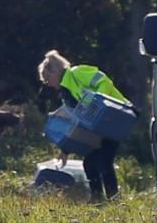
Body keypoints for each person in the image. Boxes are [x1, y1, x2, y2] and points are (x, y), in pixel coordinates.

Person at [38, 49, 130, 201]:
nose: (48, 85)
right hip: (100, 126)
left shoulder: (77, 73)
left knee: (104, 159)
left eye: (47, 80)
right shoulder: (66, 94)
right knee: (90, 162)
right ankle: (97, 198)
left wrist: (96, 103)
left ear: (54, 72)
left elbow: (103, 81)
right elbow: (75, 123)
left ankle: (113, 199)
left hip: (114, 117)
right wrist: (65, 151)